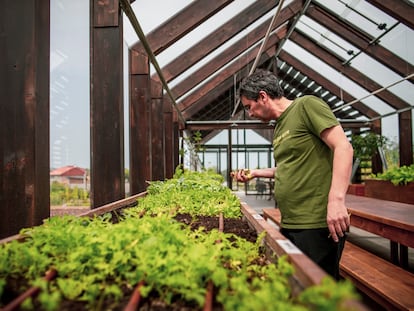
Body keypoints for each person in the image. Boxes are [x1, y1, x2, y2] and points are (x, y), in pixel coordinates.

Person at [234, 69, 353, 280]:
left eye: (249, 107)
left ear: (263, 96)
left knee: (319, 290)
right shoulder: (279, 127)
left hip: (316, 222)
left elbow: (343, 147)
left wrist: (336, 200)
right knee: (298, 285)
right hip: (291, 222)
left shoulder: (306, 105)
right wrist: (255, 173)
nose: (249, 113)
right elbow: (289, 166)